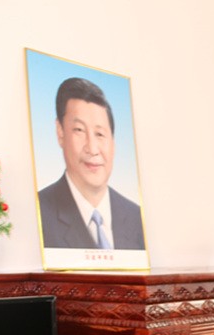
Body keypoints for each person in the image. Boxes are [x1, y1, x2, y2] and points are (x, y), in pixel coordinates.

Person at [38, 77, 145, 250]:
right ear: (60, 132)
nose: (93, 149)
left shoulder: (136, 217)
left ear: (113, 142)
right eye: (79, 130)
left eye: (100, 134)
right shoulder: (40, 212)